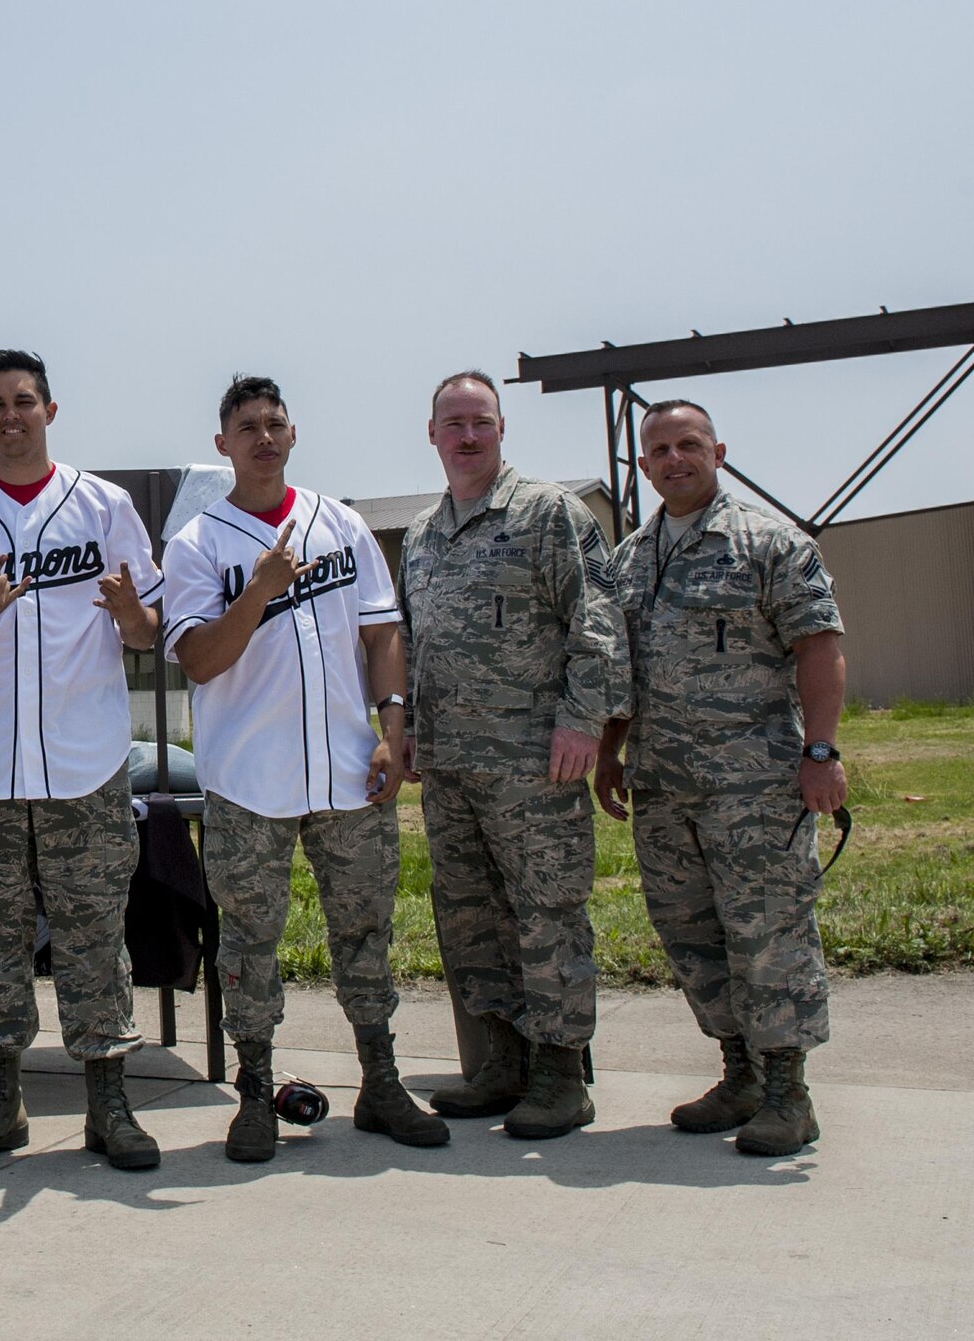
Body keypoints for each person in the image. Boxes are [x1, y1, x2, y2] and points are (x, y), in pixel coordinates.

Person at [165, 376, 448, 1160]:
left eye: (275, 424)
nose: (263, 437)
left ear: (293, 436)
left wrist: (392, 727)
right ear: (222, 444)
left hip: (347, 771)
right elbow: (199, 659)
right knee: (250, 941)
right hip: (248, 780)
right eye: (246, 426)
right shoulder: (198, 542)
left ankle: (382, 1082)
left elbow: (382, 632)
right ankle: (255, 1090)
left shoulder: (341, 524)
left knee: (365, 932)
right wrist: (258, 592)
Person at [0, 349, 163, 1171]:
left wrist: (130, 614)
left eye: (24, 401)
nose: (10, 416)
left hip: (85, 758)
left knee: (94, 931)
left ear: (51, 410)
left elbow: (152, 632)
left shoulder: (104, 505)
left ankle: (108, 1101)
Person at [595, 400, 845, 1156]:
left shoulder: (768, 543)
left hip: (755, 787)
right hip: (664, 787)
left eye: (690, 444)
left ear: (719, 451)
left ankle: (788, 1091)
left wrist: (822, 754)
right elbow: (620, 669)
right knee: (691, 934)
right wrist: (611, 752)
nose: (676, 458)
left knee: (767, 934)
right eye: (661, 449)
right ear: (642, 466)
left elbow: (819, 646)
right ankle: (738, 1073)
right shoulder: (633, 557)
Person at [399, 370, 629, 1139]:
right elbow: (418, 644)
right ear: (432, 435)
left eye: (482, 423)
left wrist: (583, 723)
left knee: (546, 912)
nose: (468, 437)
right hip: (452, 768)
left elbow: (597, 621)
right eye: (454, 424)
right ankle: (500, 1062)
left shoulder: (548, 514)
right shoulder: (425, 536)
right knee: (469, 915)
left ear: (502, 431)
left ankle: (561, 1074)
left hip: (535, 762)